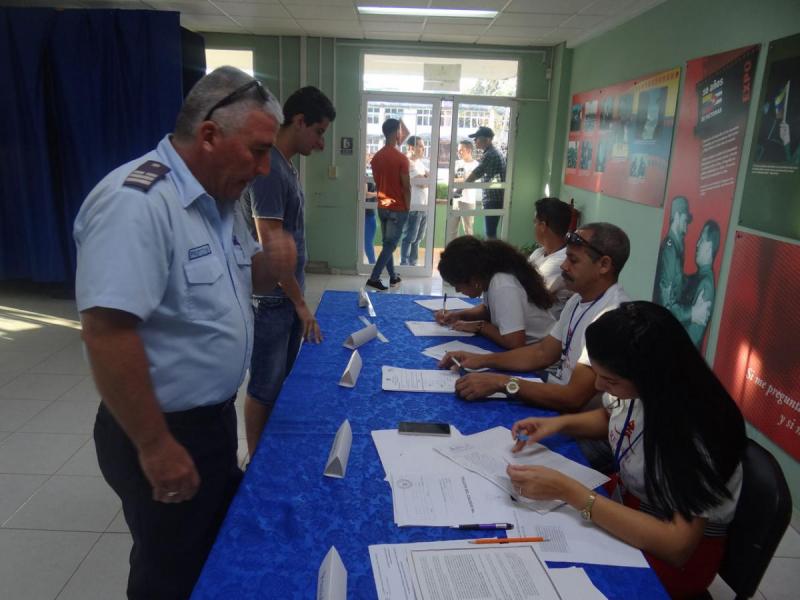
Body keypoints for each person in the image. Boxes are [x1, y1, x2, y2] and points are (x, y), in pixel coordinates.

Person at [74, 66, 296, 599]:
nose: (266, 169)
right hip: (160, 428)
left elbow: (236, 279)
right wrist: (156, 445)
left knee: (207, 553)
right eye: (258, 151)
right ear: (211, 135)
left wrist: (272, 266)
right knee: (169, 570)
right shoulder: (138, 202)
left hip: (209, 423)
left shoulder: (220, 198)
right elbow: (107, 332)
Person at [507, 301, 746, 599]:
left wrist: (571, 492)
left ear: (649, 377)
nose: (598, 385)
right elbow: (613, 416)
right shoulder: (647, 389)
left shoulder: (699, 433)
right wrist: (559, 425)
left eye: (609, 380)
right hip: (630, 503)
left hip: (675, 550)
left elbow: (677, 547)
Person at [439, 222, 630, 414]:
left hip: (579, 422)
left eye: (573, 260)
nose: (564, 266)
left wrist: (502, 382)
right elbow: (541, 353)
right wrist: (482, 360)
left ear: (604, 265)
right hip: (557, 393)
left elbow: (572, 398)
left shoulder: (610, 317)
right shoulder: (578, 301)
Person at [240, 86, 335, 458]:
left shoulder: (285, 165)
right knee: (264, 386)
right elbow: (270, 242)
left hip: (286, 295)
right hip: (273, 300)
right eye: (320, 131)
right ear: (299, 122)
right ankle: (255, 461)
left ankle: (270, 454)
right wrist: (299, 303)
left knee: (280, 382)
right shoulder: (268, 172)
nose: (322, 142)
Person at [435, 236, 555, 349]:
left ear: (473, 278)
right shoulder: (489, 276)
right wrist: (459, 315)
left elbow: (515, 343)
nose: (457, 290)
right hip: (534, 352)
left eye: (457, 285)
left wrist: (480, 326)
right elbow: (489, 310)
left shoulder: (503, 285)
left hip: (545, 357)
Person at [366, 118, 410, 290]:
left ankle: (393, 277)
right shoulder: (401, 158)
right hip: (397, 208)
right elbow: (406, 186)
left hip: (383, 206)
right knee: (390, 245)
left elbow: (378, 183)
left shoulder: (376, 158)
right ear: (395, 133)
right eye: (401, 131)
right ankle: (374, 278)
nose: (402, 134)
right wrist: (407, 207)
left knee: (387, 244)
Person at [670, 220, 718, 348]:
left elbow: (693, 336)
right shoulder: (700, 277)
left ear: (709, 247)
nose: (697, 244)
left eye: (701, 240)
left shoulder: (706, 284)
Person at [528, 197, 574, 317]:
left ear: (542, 226)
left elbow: (529, 294)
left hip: (547, 327)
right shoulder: (539, 252)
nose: (534, 226)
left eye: (535, 222)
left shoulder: (562, 260)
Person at [465, 126, 506, 239]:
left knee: (490, 233)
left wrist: (460, 188)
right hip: (495, 198)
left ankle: (492, 256)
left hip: (493, 199)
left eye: (477, 138)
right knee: (490, 232)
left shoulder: (490, 155)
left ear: (487, 139)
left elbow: (477, 172)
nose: (475, 141)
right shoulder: (494, 152)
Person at [653, 195, 692, 308]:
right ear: (677, 216)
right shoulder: (670, 248)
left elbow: (678, 281)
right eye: (685, 220)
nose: (687, 225)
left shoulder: (676, 246)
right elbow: (667, 296)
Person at [400, 135, 429, 266]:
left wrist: (425, 177)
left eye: (423, 146)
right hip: (413, 207)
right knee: (409, 238)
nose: (423, 149)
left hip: (423, 207)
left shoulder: (419, 163)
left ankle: (413, 263)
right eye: (420, 146)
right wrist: (425, 178)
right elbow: (422, 182)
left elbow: (428, 178)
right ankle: (404, 264)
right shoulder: (407, 162)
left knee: (418, 239)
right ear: (411, 147)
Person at [446, 140, 480, 241]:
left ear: (469, 150)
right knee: (452, 230)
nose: (459, 153)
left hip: (468, 201)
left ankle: (470, 254)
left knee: (468, 231)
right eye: (458, 151)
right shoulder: (457, 163)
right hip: (455, 200)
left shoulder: (476, 165)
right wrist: (464, 179)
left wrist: (463, 180)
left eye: (462, 150)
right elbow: (453, 179)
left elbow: (473, 182)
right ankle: (452, 253)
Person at [364, 153, 378, 264]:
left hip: (369, 214)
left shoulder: (367, 174)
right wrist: (377, 194)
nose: (369, 156)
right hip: (367, 214)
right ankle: (373, 265)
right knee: (368, 243)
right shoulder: (362, 174)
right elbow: (365, 195)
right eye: (367, 154)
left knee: (368, 242)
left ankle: (372, 265)